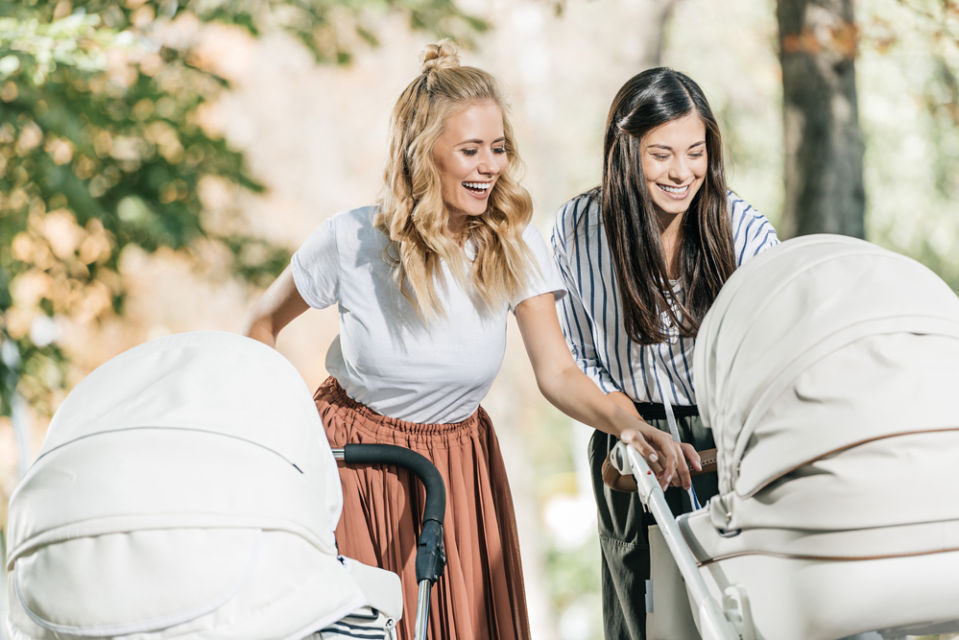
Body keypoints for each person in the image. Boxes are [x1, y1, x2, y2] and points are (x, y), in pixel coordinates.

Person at [244, 43, 698, 640]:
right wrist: (276, 437)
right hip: (352, 467)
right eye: (471, 150)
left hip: (460, 466)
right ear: (423, 153)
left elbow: (558, 372)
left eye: (499, 149)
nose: (490, 166)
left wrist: (627, 424)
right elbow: (261, 325)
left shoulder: (515, 245)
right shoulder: (351, 240)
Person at [550, 67, 780, 640]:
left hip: (723, 434)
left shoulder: (740, 229)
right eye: (661, 154)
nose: (682, 172)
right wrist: (626, 430)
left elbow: (772, 346)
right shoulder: (577, 230)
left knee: (739, 610)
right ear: (625, 151)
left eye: (695, 152)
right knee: (644, 610)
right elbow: (579, 354)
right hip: (626, 427)